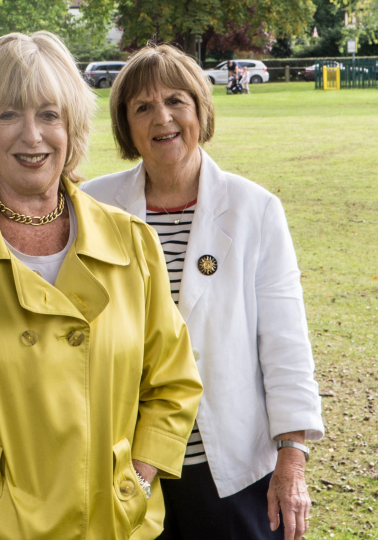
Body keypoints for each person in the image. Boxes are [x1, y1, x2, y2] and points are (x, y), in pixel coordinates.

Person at [0, 32, 202, 540]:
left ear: (72, 127)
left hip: (111, 524)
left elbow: (173, 382)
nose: (32, 136)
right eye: (8, 114)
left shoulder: (131, 240)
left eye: (49, 114)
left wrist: (137, 476)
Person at [81, 43, 324, 540]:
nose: (162, 118)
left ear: (200, 109)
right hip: (126, 463)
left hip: (230, 468)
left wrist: (292, 458)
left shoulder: (255, 208)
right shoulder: (93, 206)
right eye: (142, 107)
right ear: (126, 125)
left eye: (176, 101)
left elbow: (285, 343)